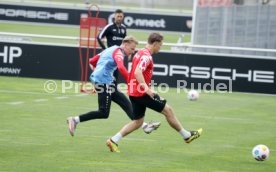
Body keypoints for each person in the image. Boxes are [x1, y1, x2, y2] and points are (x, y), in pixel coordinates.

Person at [106, 33, 203, 152]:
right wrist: (147, 89)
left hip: (133, 93)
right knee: (168, 110)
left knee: (138, 122)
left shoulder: (140, 52)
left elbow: (134, 72)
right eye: (160, 45)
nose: (160, 48)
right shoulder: (146, 56)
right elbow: (137, 72)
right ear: (155, 43)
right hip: (142, 93)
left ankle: (113, 140)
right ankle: (187, 136)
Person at [67, 36, 160, 136]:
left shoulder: (111, 49)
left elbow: (92, 61)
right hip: (103, 83)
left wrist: (99, 72)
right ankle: (75, 120)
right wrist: (131, 81)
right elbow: (120, 67)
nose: (133, 52)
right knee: (103, 112)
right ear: (125, 44)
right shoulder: (118, 53)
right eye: (132, 49)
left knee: (126, 103)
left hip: (107, 82)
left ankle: (144, 126)